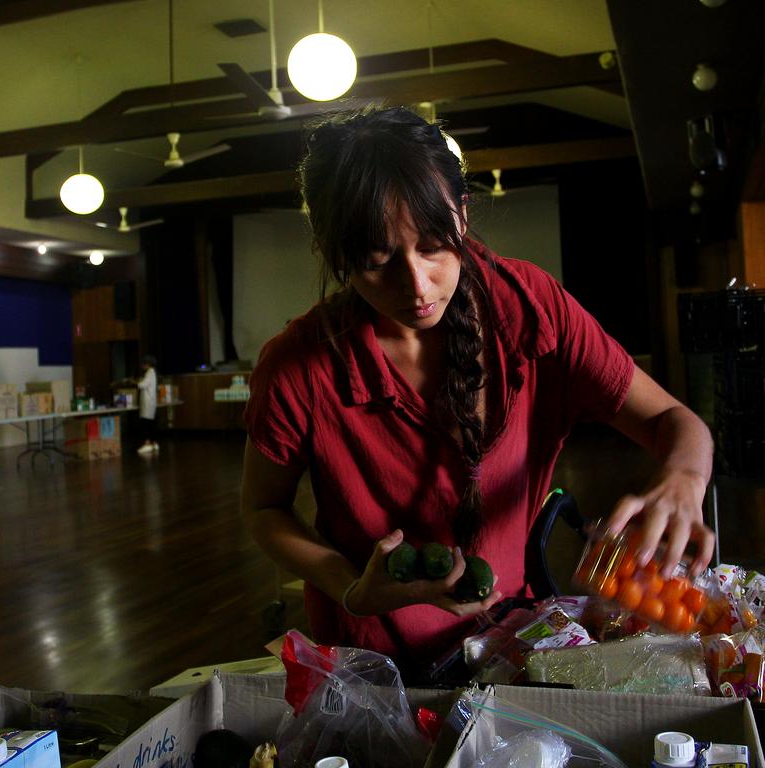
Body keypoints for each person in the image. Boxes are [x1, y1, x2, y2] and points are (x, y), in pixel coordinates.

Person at [240, 106, 714, 680]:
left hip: (507, 642)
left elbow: (670, 418)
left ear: (462, 214)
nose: (416, 286)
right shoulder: (298, 367)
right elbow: (264, 509)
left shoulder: (528, 306)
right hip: (373, 666)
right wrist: (352, 590)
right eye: (375, 261)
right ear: (331, 252)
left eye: (436, 245)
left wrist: (685, 479)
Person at [136, 354, 159, 455]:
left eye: (143, 364)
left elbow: (143, 385)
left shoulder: (150, 373)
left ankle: (147, 443)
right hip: (150, 402)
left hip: (148, 402)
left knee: (146, 424)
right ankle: (154, 443)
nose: (142, 366)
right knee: (151, 423)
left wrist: (136, 383)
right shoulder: (152, 373)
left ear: (147, 364)